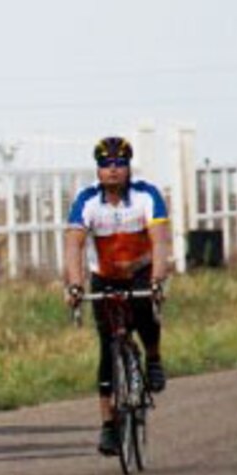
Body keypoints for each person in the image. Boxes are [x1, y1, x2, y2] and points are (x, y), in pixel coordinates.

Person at [62, 136, 172, 457]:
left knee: (144, 313)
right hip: (105, 276)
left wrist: (157, 279)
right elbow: (74, 245)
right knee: (108, 345)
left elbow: (160, 241)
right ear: (98, 170)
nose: (113, 171)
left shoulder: (146, 196)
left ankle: (152, 358)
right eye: (106, 165)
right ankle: (109, 424)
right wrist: (74, 285)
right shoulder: (87, 201)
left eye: (119, 164)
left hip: (140, 270)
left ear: (128, 168)